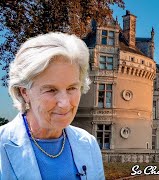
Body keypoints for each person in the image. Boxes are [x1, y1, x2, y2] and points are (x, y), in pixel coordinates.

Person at [0, 32, 105, 179]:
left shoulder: (88, 144)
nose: (64, 103)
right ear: (24, 92)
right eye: (51, 90)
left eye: (72, 88)